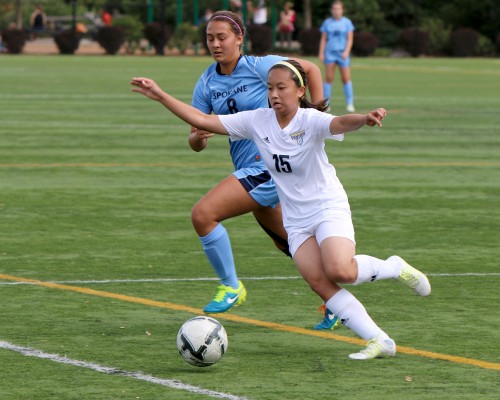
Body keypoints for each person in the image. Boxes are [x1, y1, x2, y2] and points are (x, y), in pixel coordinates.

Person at [131, 59, 431, 360]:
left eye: (282, 88)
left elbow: (339, 123)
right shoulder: (257, 120)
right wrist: (160, 95)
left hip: (327, 206)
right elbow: (204, 120)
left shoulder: (309, 120)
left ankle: (394, 266)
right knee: (319, 282)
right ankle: (380, 340)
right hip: (296, 220)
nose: (274, 94)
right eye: (270, 88)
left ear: (299, 90)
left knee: (340, 269)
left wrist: (365, 118)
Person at [319, 1, 355, 112]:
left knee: (346, 79)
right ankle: (326, 104)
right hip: (330, 54)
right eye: (334, 9)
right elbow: (324, 39)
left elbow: (350, 39)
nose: (336, 11)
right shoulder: (327, 23)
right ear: (331, 10)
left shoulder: (347, 22)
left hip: (342, 54)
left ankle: (350, 103)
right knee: (329, 78)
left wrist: (346, 51)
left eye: (338, 9)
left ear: (342, 10)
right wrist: (321, 52)